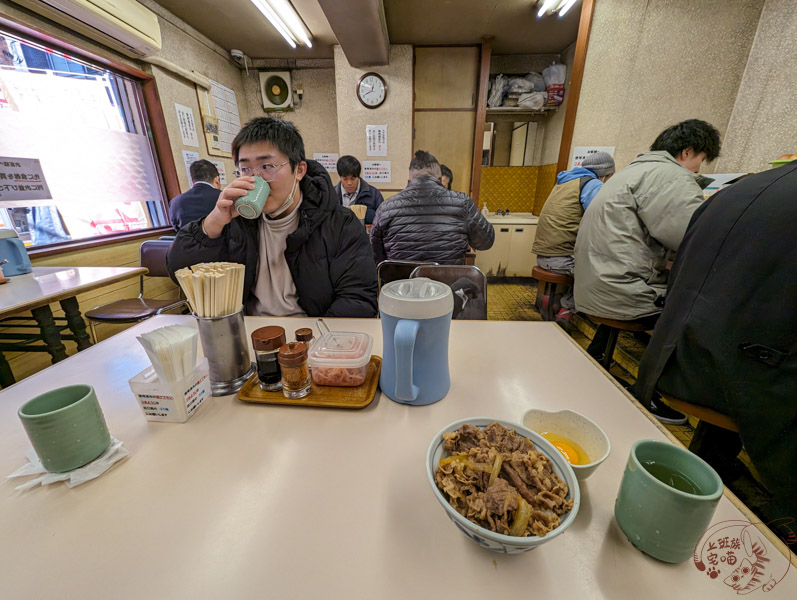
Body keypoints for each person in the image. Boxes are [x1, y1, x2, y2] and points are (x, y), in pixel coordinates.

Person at [635, 161, 797, 524]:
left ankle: (716, 458)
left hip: (670, 357)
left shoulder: (733, 192)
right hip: (744, 386)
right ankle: (785, 521)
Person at [573, 119, 721, 424]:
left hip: (590, 287)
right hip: (616, 291)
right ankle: (648, 392)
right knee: (698, 310)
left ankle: (597, 354)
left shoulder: (628, 173)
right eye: (700, 161)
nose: (697, 170)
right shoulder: (668, 177)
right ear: (687, 152)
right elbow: (693, 236)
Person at [167, 117, 378, 318]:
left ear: (299, 170)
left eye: (267, 167)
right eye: (245, 169)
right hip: (249, 334)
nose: (255, 178)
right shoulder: (235, 223)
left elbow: (359, 300)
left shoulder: (340, 224)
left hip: (313, 339)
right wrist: (213, 222)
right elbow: (180, 273)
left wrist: (312, 342)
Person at [532, 151, 615, 324]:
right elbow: (600, 218)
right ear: (605, 174)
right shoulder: (592, 184)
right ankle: (565, 307)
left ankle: (549, 301)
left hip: (543, 255)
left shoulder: (564, 182)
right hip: (562, 258)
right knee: (603, 278)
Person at [370, 150, 494, 264]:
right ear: (440, 180)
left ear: (409, 180)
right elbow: (486, 242)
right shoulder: (463, 203)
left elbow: (377, 255)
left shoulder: (386, 208)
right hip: (448, 285)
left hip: (400, 285)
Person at [169, 160, 221, 231]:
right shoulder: (222, 197)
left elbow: (177, 230)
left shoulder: (174, 202)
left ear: (192, 182)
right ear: (217, 179)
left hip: (188, 241)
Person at [334, 155, 385, 225]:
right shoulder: (331, 195)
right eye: (345, 179)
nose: (349, 183)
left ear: (358, 177)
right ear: (340, 177)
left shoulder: (373, 194)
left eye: (353, 179)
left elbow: (383, 219)